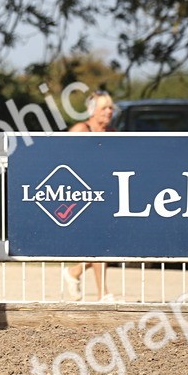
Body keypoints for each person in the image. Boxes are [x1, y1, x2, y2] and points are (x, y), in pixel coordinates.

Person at [63, 90, 117, 302]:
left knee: (104, 243)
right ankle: (103, 292)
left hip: (107, 192)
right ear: (91, 110)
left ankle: (74, 272)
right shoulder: (80, 129)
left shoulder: (113, 132)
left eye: (111, 107)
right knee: (99, 242)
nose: (109, 111)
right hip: (82, 193)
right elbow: (65, 160)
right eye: (104, 107)